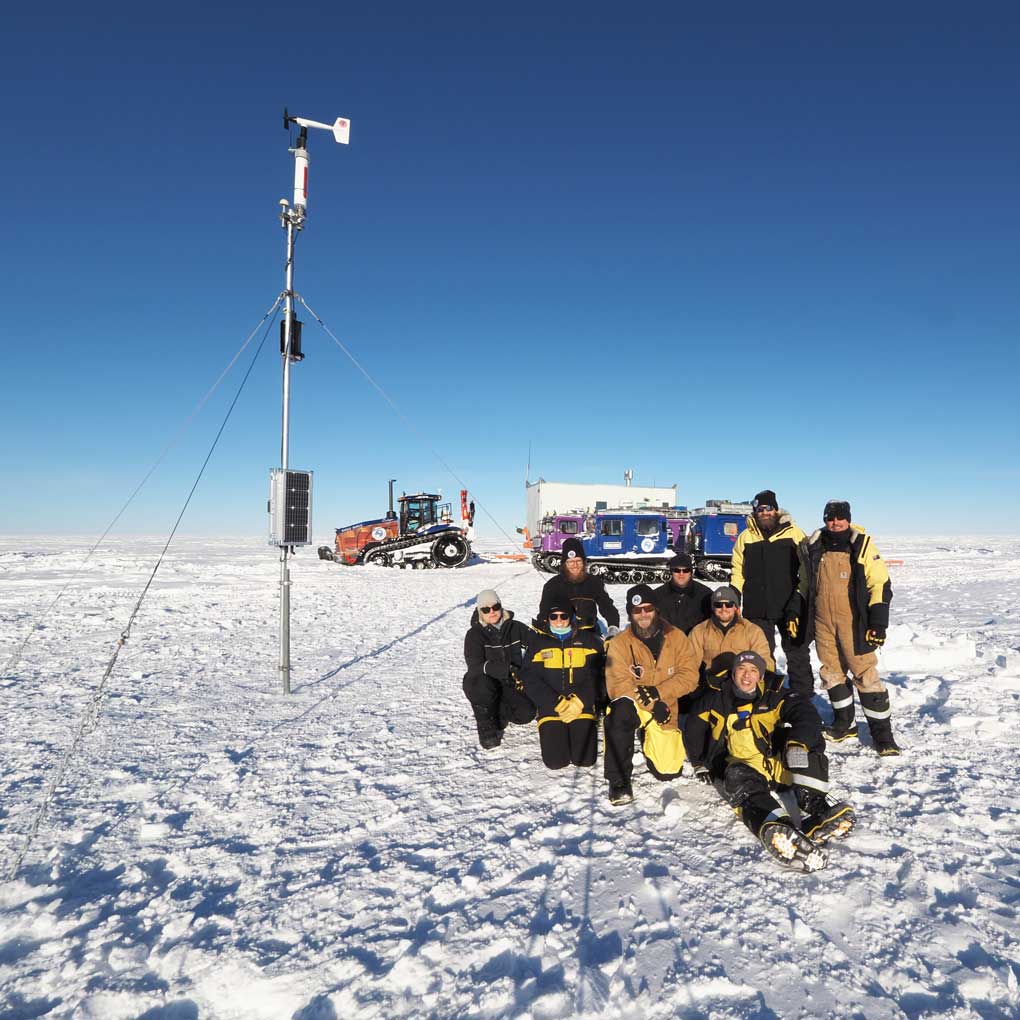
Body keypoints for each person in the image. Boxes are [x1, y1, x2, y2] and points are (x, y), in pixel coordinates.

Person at [683, 650, 856, 871]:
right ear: (733, 672)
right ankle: (780, 830)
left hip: (771, 761)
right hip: (737, 765)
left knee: (809, 744)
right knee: (738, 778)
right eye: (742, 670)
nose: (747, 676)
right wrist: (699, 762)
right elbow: (693, 728)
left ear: (761, 675)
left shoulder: (773, 695)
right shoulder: (715, 698)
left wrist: (797, 743)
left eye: (753, 671)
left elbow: (805, 714)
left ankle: (816, 811)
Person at [794, 500, 900, 756]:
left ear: (848, 519)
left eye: (841, 518)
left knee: (865, 673)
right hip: (823, 620)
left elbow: (880, 584)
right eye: (831, 518)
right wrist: (796, 610)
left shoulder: (861, 545)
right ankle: (844, 724)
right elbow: (805, 583)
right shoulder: (814, 546)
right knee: (831, 672)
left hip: (853, 620)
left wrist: (877, 622)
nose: (836, 522)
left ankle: (883, 736)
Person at [603, 584, 701, 805]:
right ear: (630, 613)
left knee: (668, 771)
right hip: (636, 703)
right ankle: (619, 781)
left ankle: (648, 734)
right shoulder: (619, 643)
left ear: (656, 609)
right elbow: (617, 684)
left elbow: (690, 676)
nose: (643, 615)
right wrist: (650, 703)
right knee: (619, 713)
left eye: (648, 608)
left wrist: (659, 693)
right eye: (637, 610)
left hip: (665, 707)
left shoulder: (677, 637)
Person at [730, 489, 814, 698]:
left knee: (797, 653)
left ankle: (802, 699)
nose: (764, 512)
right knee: (761, 654)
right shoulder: (746, 537)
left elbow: (806, 569)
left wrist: (800, 598)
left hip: (789, 606)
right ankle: (766, 697)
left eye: (768, 508)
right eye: (759, 509)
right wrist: (734, 596)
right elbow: (737, 570)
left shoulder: (794, 533)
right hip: (757, 607)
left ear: (776, 510)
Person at [521, 596, 604, 770]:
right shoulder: (537, 643)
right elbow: (530, 677)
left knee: (585, 759)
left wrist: (580, 701)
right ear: (547, 618)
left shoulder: (588, 641)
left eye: (563, 616)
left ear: (572, 617)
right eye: (554, 616)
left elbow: (597, 674)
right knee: (555, 762)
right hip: (551, 708)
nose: (559, 621)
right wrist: (556, 703)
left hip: (581, 706)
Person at [462, 589, 537, 750]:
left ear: (501, 607)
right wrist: (505, 668)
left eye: (495, 607)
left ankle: (498, 711)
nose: (492, 612)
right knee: (477, 682)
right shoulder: (475, 634)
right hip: (487, 681)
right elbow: (474, 665)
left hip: (511, 682)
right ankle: (485, 724)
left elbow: (536, 645)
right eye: (486, 609)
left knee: (526, 714)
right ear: (479, 611)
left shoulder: (515, 627)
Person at [687, 585, 775, 683]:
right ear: (713, 607)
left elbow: (764, 660)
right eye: (718, 605)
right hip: (710, 686)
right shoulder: (699, 631)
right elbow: (689, 663)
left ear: (735, 607)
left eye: (728, 604)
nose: (724, 608)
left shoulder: (752, 631)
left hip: (742, 685)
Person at [539, 537, 621, 635]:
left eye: (578, 561)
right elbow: (544, 612)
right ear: (564, 564)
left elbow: (607, 607)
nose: (575, 565)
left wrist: (613, 627)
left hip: (589, 631)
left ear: (584, 562)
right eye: (570, 562)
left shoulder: (594, 582)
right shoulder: (552, 585)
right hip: (561, 633)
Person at [652, 553, 713, 634]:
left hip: (694, 643)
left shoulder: (705, 595)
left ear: (690, 572)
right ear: (671, 572)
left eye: (685, 570)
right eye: (677, 570)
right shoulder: (657, 595)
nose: (681, 574)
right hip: (667, 643)